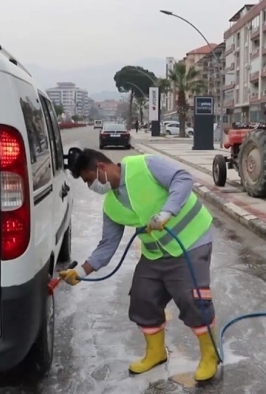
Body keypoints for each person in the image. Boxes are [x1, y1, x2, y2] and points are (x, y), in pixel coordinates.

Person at [59, 149, 220, 381]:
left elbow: (183, 178)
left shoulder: (145, 165)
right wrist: (81, 271)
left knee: (192, 299)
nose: (90, 186)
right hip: (155, 254)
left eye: (88, 180)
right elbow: (107, 245)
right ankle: (155, 353)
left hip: (192, 240)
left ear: (101, 168)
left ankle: (209, 355)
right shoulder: (111, 206)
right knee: (143, 299)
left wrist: (167, 212)